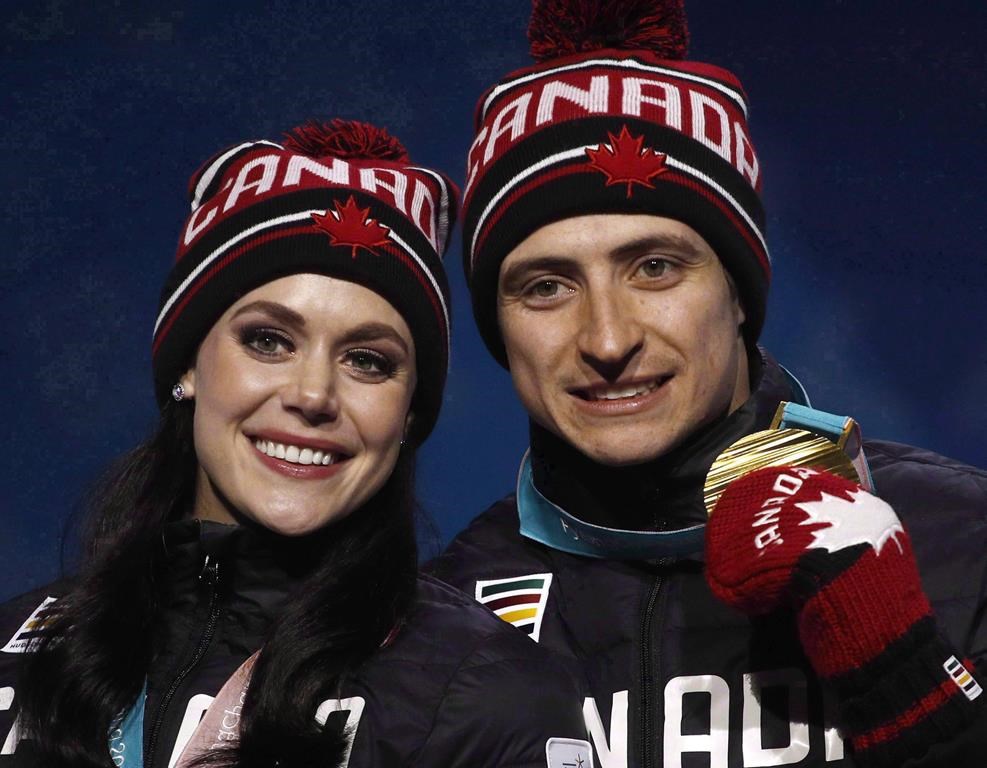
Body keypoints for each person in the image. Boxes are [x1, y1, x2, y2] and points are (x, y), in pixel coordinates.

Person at [429, 2, 987, 767]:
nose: (607, 338)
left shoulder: (962, 539)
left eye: (654, 267)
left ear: (739, 297)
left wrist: (897, 665)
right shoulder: (438, 615)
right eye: (546, 287)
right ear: (499, 328)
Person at [0, 119, 589, 768]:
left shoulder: (489, 695)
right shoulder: (15, 653)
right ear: (188, 366)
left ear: (408, 412)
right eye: (268, 341)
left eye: (367, 360)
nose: (312, 395)